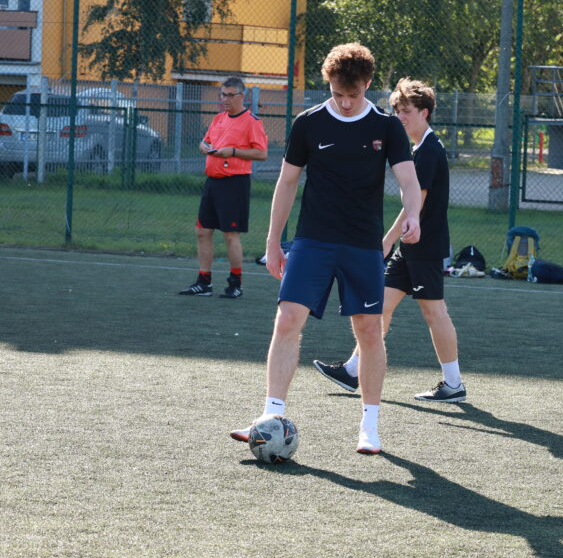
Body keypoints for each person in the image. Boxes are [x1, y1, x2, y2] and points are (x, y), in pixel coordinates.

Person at [230, 43, 423, 455]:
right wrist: (273, 241)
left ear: (367, 84)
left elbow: (409, 181)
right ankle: (269, 417)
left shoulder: (387, 127)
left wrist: (413, 215)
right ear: (328, 85)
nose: (345, 102)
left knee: (369, 329)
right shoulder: (309, 123)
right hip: (312, 240)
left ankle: (370, 426)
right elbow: (287, 182)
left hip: (362, 244)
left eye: (353, 94)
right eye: (337, 94)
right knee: (287, 320)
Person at [312, 78, 465, 403]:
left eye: (406, 111)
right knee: (378, 306)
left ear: (424, 112)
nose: (400, 117)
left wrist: (386, 241)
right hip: (409, 248)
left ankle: (453, 384)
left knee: (434, 312)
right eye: (397, 111)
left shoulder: (428, 150)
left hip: (425, 246)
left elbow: (415, 204)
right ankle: (353, 369)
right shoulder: (418, 149)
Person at [180, 77, 268, 299]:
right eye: (222, 95)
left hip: (235, 183)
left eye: (230, 95)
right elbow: (205, 141)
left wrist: (233, 152)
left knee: (230, 235)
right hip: (213, 181)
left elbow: (261, 153)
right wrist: (204, 147)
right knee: (202, 231)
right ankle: (204, 282)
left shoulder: (252, 121)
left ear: (242, 96)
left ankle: (235, 284)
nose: (225, 99)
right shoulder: (218, 118)